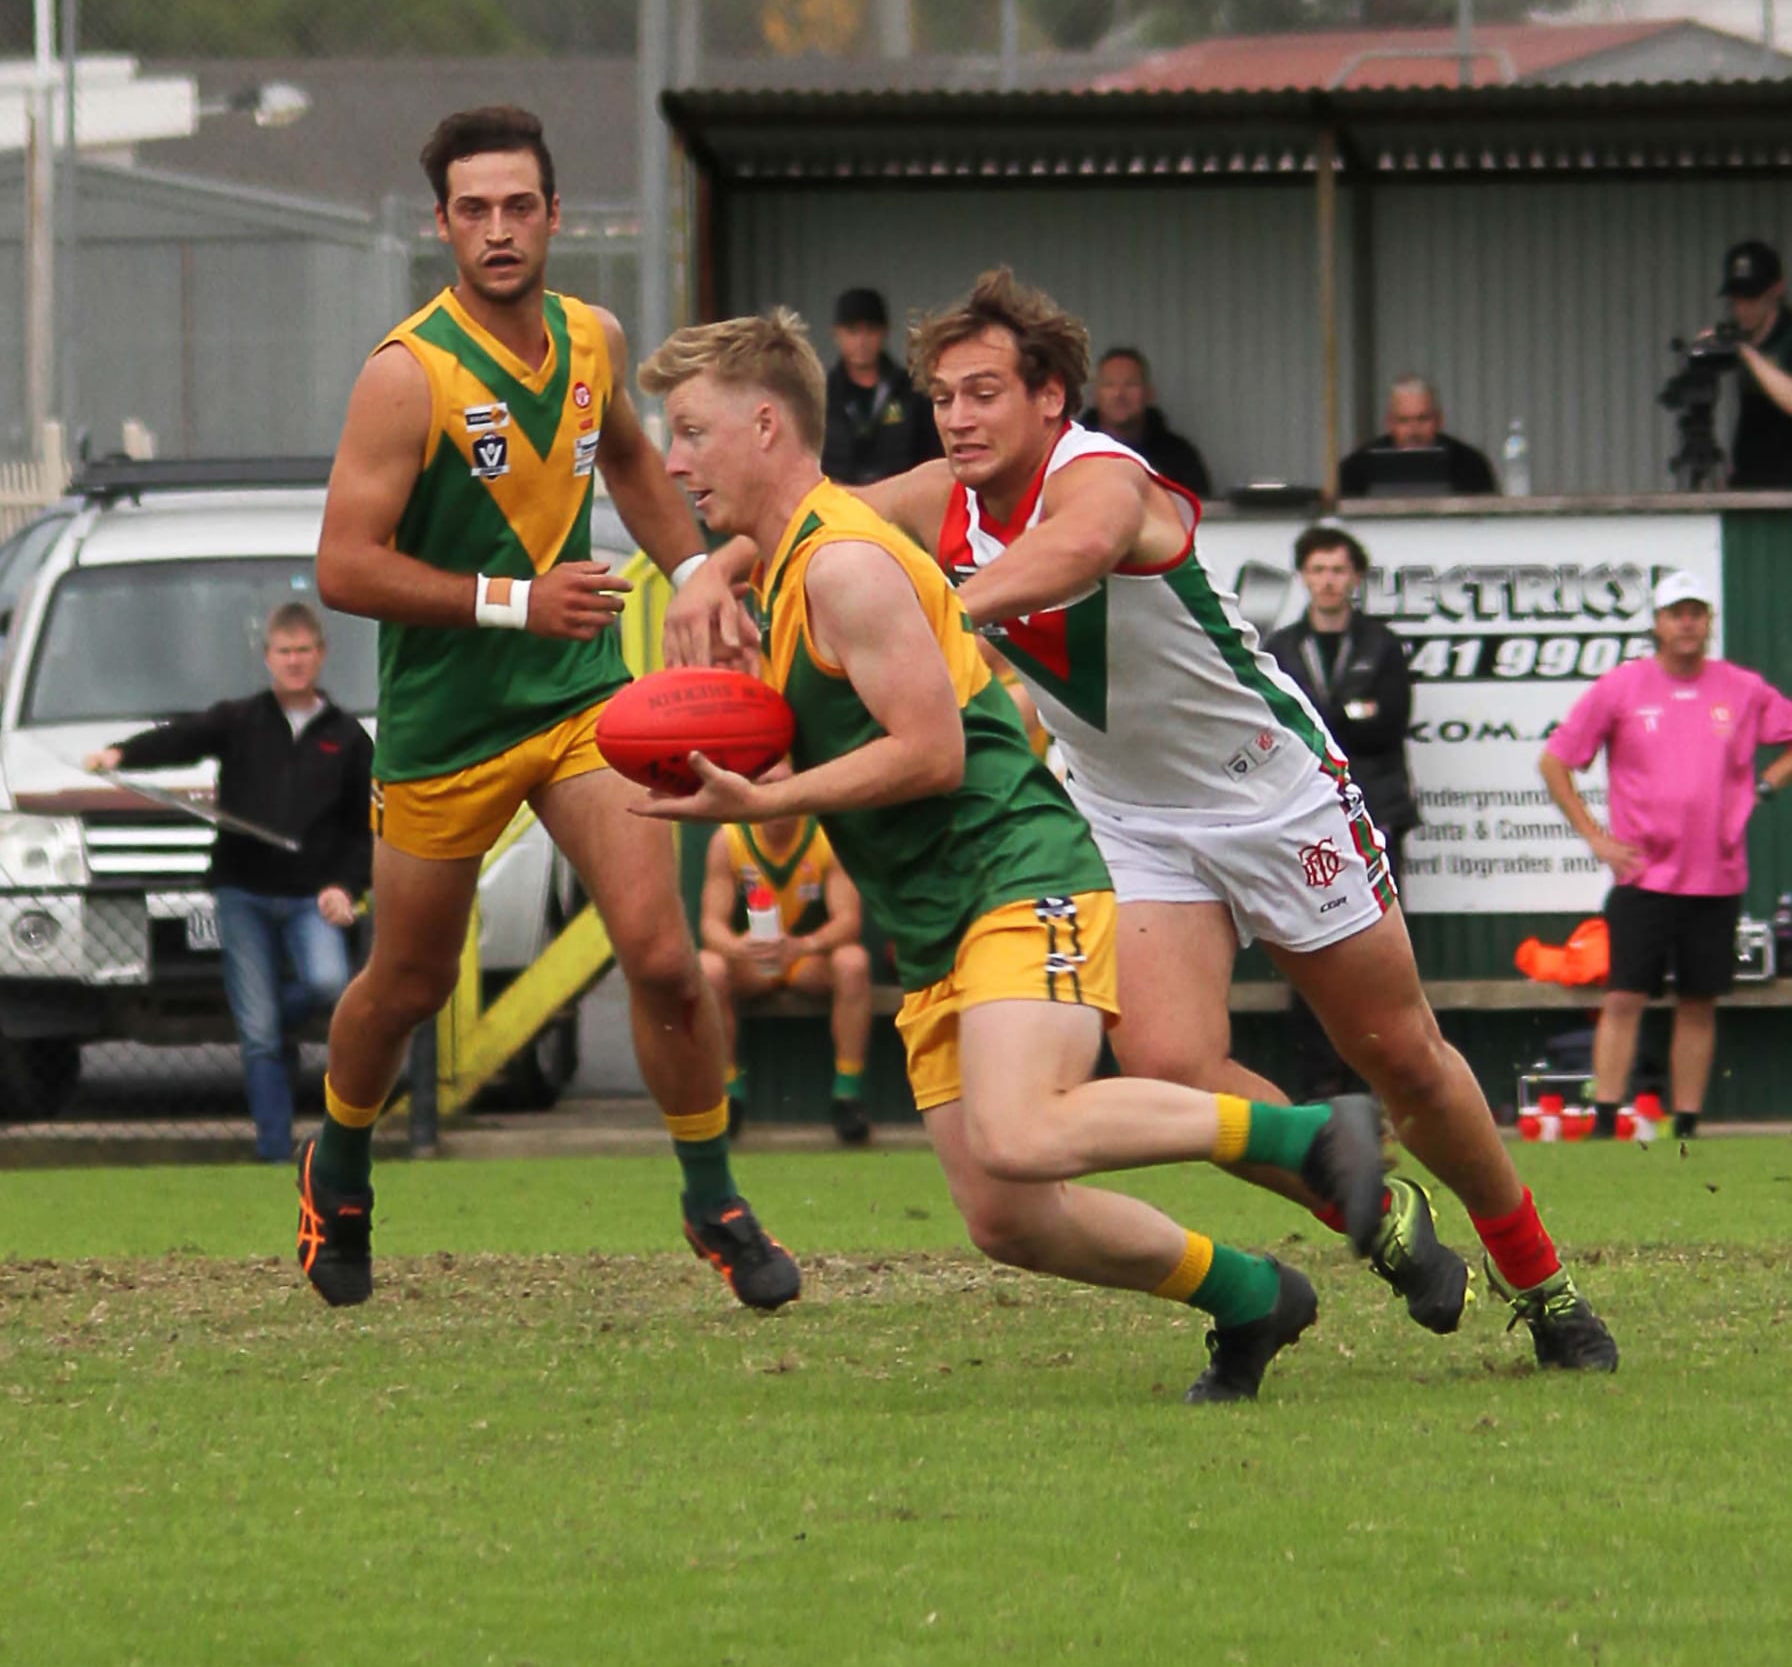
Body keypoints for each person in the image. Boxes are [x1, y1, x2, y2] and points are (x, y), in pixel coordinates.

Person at [672, 267, 1614, 1373]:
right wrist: (709, 566)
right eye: (942, 396)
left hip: (1267, 787)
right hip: (1130, 812)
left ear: (1050, 400)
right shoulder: (940, 495)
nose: (958, 417)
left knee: (1397, 1054)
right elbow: (811, 517)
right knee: (1169, 1062)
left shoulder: (1104, 477)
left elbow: (1068, 557)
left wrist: (940, 607)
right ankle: (1374, 1214)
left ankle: (1541, 1280)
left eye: (983, 393)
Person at [645, 308, 1389, 1406]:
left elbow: (932, 754)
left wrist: (765, 796)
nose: (670, 459)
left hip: (1017, 871)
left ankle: (1310, 1132)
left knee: (1023, 1127)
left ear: (763, 425)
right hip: (936, 913)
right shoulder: (793, 560)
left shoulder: (846, 565)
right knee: (1006, 1216)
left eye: (692, 433)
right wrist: (708, 576)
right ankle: (1247, 1296)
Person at [300, 101, 798, 1313]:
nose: (499, 229)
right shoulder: (403, 375)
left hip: (580, 708)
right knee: (405, 985)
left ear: (555, 214)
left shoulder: (592, 339)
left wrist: (695, 575)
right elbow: (342, 569)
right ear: (442, 227)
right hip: (443, 725)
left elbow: (628, 459)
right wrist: (515, 603)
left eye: (519, 205)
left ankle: (711, 1198)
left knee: (665, 957)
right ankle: (342, 1166)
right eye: (473, 210)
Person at [86, 602, 372, 1165]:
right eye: (284, 652)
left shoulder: (349, 737)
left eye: (303, 651)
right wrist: (120, 754)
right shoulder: (240, 720)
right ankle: (272, 1150)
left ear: (321, 655)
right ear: (268, 657)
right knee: (260, 1037)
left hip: (312, 897)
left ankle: (266, 1016)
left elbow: (361, 829)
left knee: (327, 984)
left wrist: (345, 885)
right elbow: (181, 739)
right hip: (242, 892)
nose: (294, 661)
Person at [1538, 571, 1792, 1141]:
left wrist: (1766, 786)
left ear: (1709, 622)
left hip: (1718, 875)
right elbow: (1556, 762)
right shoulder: (1622, 688)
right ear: (1657, 622)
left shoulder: (1742, 688)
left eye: (1696, 612)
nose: (1687, 622)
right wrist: (1596, 837)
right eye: (1676, 612)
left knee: (1698, 1001)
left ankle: (1687, 1124)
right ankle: (1605, 1118)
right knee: (1624, 996)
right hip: (1644, 874)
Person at [1263, 524, 1420, 1099]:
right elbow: (1277, 727)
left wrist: (1329, 720)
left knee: (1376, 955)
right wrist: (1347, 715)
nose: (1329, 581)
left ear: (1355, 578)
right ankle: (1317, 1087)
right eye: (1318, 570)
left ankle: (1372, 1084)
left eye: (1338, 570)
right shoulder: (1279, 647)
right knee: (1306, 951)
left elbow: (1387, 725)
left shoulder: (1382, 645)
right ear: (1304, 577)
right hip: (1299, 818)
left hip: (1376, 813)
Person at [698, 815, 874, 1143]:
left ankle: (848, 1095)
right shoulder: (730, 840)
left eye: (782, 784)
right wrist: (739, 947)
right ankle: (729, 1092)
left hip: (805, 959)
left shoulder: (825, 836)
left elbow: (849, 920)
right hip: (752, 962)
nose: (775, 802)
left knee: (853, 962)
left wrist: (804, 945)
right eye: (765, 785)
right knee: (708, 968)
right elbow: (711, 926)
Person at [821, 286, 942, 487]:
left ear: (885, 331)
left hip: (902, 505)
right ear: (837, 334)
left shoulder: (913, 391)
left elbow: (933, 456)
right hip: (838, 507)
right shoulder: (821, 395)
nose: (862, 341)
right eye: (852, 331)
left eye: (870, 330)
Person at [1711, 237, 1792, 490]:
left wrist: (1747, 354)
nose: (1742, 307)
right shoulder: (1742, 339)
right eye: (1736, 299)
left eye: (1751, 297)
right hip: (1750, 485)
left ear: (1777, 290)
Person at [1082, 346, 1213, 497]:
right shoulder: (1071, 453)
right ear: (1094, 395)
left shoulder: (1179, 457)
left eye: (1130, 384)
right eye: (1109, 385)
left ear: (1149, 393)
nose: (1119, 394)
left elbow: (1199, 513)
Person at [1337, 377, 1498, 499]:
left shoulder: (1470, 464)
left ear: (1439, 420)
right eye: (1404, 421)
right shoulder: (1356, 467)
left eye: (1422, 419)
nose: (1413, 431)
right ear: (1389, 423)